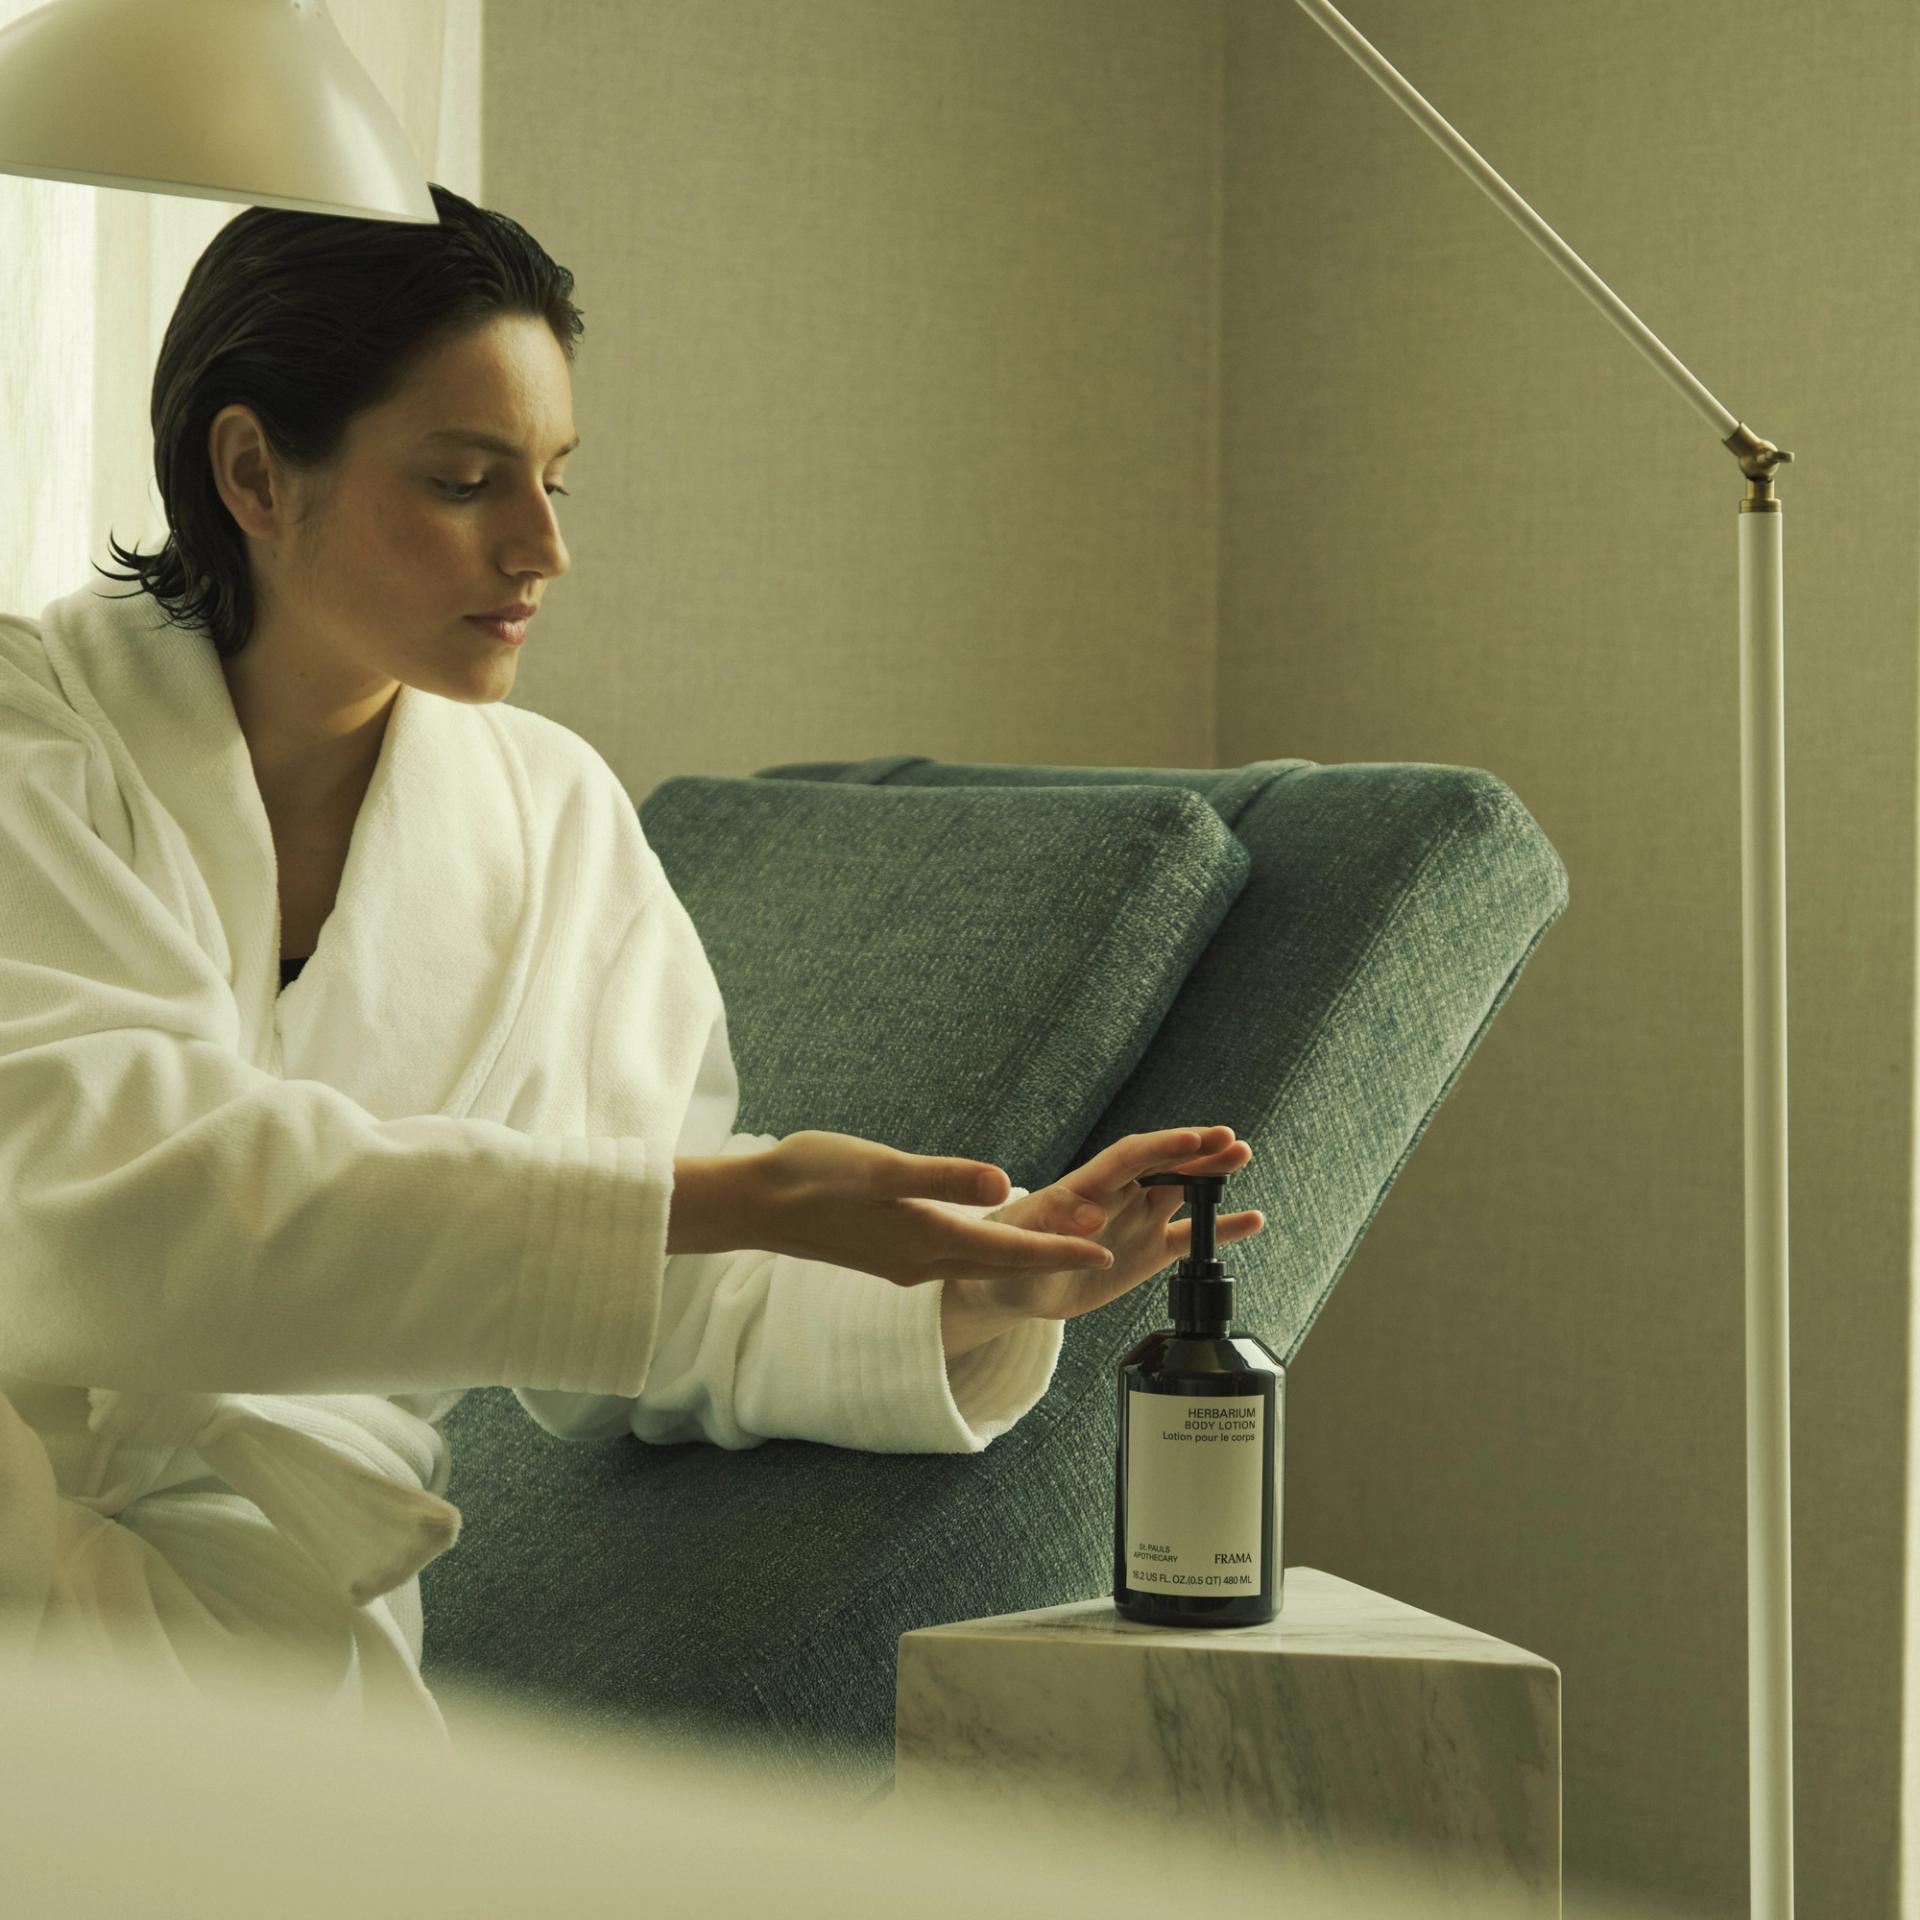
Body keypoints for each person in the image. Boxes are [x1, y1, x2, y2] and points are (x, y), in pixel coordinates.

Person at [0, 183, 1261, 1742]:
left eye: (553, 481)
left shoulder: (551, 823)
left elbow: (638, 1282)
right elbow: (108, 1204)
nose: (542, 548)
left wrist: (969, 1283)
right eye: (466, 481)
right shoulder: (33, 742)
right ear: (255, 471)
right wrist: (737, 1197)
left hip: (279, 1641)